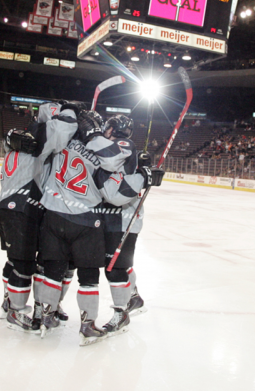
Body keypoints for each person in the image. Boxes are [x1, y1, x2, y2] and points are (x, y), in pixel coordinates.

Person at [33, 111, 133, 346]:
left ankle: (46, 316)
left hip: (54, 216)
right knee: (88, 277)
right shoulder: (101, 150)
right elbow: (113, 188)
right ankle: (87, 326)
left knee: (52, 272)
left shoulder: (63, 143)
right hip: (86, 221)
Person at [0, 102, 78, 332]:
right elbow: (62, 131)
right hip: (23, 207)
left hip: (9, 206)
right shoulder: (41, 137)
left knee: (16, 260)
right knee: (24, 263)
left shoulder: (21, 137)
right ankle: (16, 310)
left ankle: (11, 301)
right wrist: (72, 114)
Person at [98, 115, 163, 337]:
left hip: (123, 218)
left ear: (112, 130)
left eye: (106, 129)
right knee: (121, 264)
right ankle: (134, 297)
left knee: (114, 267)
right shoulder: (122, 150)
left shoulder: (122, 149)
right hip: (115, 217)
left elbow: (115, 187)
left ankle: (121, 313)